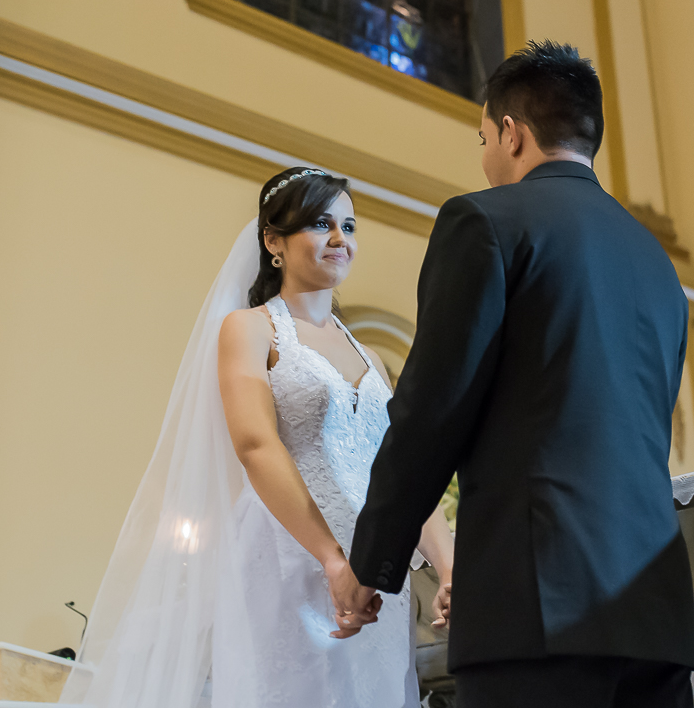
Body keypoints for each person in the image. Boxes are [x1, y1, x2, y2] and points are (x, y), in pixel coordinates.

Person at [341, 41, 694, 708]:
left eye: (483, 138)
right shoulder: (657, 263)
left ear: (511, 133)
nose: (485, 156)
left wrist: (374, 561)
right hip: (654, 610)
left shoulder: (485, 221)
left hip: (538, 603)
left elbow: (431, 408)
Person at [60, 168, 454, 708]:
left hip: (375, 574)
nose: (340, 239)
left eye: (348, 226)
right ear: (273, 240)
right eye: (321, 224)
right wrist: (332, 560)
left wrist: (448, 568)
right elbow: (256, 445)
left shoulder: (369, 358)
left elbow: (403, 472)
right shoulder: (249, 329)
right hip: (289, 552)